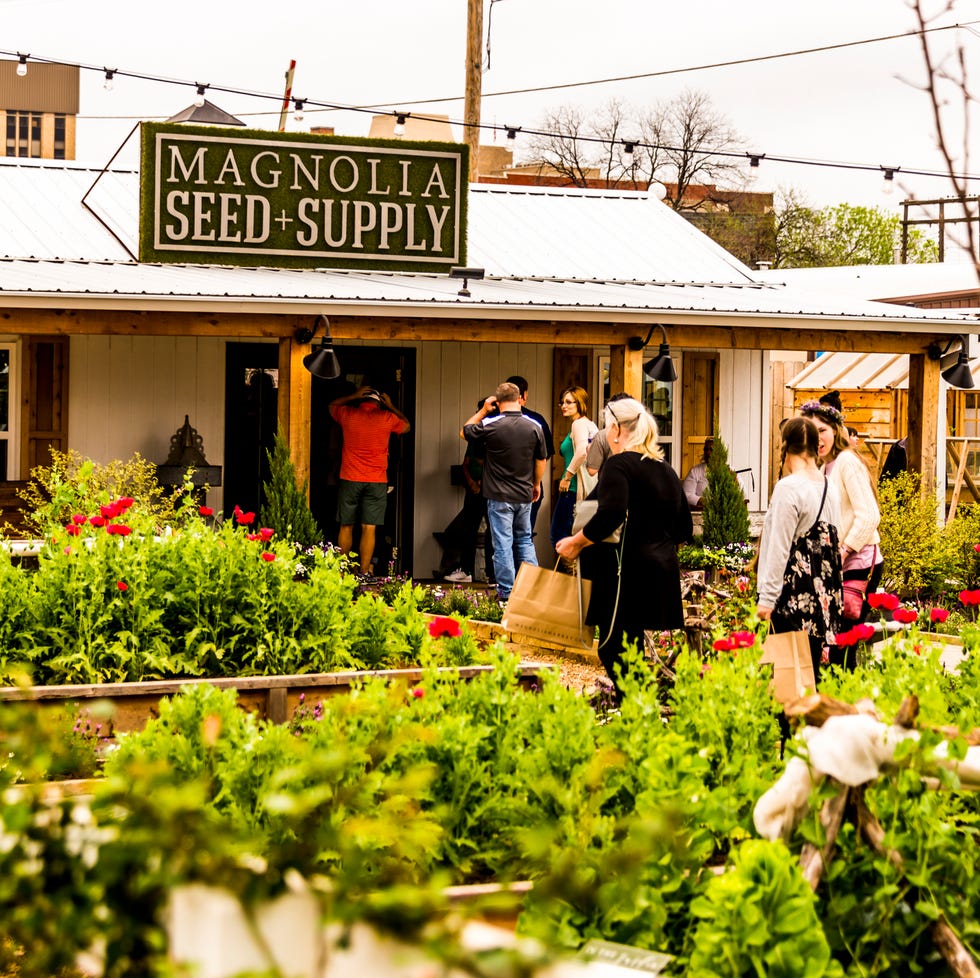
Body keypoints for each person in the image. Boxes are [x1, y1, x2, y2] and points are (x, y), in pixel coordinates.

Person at [556, 397, 692, 702]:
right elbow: (684, 527)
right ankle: (636, 710)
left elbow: (611, 514)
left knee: (610, 646)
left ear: (615, 429)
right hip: (660, 571)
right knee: (629, 645)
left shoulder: (618, 465)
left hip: (624, 572)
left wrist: (575, 542)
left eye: (606, 427)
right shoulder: (665, 468)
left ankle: (637, 706)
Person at [756, 416, 843, 684]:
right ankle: (812, 724)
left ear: (785, 446)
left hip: (791, 598)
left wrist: (767, 599)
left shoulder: (788, 488)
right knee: (811, 676)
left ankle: (789, 727)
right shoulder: (830, 488)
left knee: (787, 683)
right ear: (816, 447)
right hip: (822, 599)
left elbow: (779, 548)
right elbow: (833, 543)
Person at [800, 397, 883, 669]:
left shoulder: (847, 462)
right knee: (835, 643)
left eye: (822, 430)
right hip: (837, 566)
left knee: (843, 644)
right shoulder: (824, 467)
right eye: (812, 432)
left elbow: (870, 515)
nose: (818, 438)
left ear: (835, 430)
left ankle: (846, 699)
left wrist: (843, 551)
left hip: (858, 563)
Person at [461, 382, 547, 602]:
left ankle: (507, 594)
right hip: (524, 494)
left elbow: (464, 432)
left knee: (503, 544)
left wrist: (482, 410)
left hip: (498, 496)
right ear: (520, 399)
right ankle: (533, 590)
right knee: (525, 540)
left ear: (497, 402)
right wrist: (536, 484)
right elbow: (541, 460)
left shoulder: (491, 424)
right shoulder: (534, 426)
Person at [329, 385, 411, 577]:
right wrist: (391, 406)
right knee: (369, 527)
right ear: (379, 403)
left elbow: (331, 405)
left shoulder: (348, 414)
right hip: (376, 480)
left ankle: (343, 571)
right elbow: (407, 425)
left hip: (349, 477)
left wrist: (352, 396)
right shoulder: (387, 418)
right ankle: (364, 572)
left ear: (361, 401)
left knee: (346, 525)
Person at [551, 386, 598, 550]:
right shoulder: (590, 425)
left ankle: (571, 575)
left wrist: (567, 477)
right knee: (577, 537)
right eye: (562, 402)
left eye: (569, 402)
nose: (564, 405)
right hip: (588, 488)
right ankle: (578, 574)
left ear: (580, 404)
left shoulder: (578, 424)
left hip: (572, 489)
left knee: (560, 537)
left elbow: (581, 452)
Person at [506, 375, 554, 531]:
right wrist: (536, 482)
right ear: (524, 395)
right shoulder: (536, 420)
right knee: (524, 535)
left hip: (499, 486)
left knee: (499, 536)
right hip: (528, 484)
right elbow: (544, 455)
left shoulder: (492, 419)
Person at [585, 391, 631, 477]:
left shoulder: (602, 435)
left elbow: (592, 470)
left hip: (609, 484)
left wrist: (590, 451)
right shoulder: (641, 434)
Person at [682, 438, 714, 510]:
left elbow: (742, 495)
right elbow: (686, 494)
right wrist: (705, 501)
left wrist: (735, 482)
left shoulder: (729, 471)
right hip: (702, 513)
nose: (708, 452)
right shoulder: (695, 471)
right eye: (706, 449)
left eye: (711, 450)